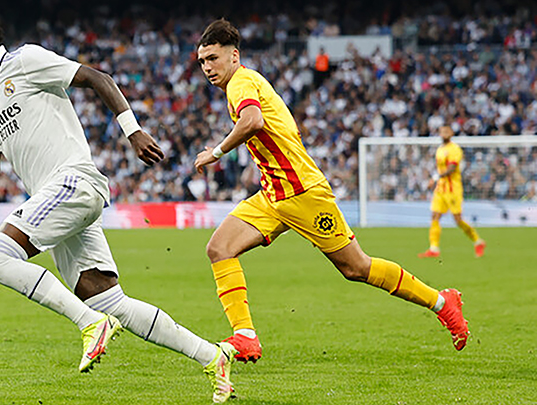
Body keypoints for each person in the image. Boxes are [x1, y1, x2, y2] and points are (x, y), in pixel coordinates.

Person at [0, 3, 237, 402]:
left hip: (73, 182)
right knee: (110, 301)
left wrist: (131, 131)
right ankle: (211, 355)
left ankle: (88, 324)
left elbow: (97, 77)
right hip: (58, 199)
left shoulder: (25, 60)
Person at [192, 19, 470, 370]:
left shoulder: (242, 82)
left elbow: (253, 122)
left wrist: (214, 153)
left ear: (233, 56)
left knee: (356, 267)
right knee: (219, 248)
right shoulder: (245, 81)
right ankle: (245, 335)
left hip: (303, 193)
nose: (207, 68)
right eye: (202, 62)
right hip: (274, 194)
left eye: (213, 59)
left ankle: (443, 303)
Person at [418, 126, 486, 258]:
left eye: (446, 131)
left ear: (451, 133)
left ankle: (478, 241)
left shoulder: (455, 149)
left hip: (453, 189)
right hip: (441, 188)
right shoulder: (440, 149)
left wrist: (434, 178)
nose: (444, 134)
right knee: (435, 216)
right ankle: (434, 248)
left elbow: (452, 168)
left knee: (458, 220)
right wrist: (436, 180)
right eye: (442, 131)